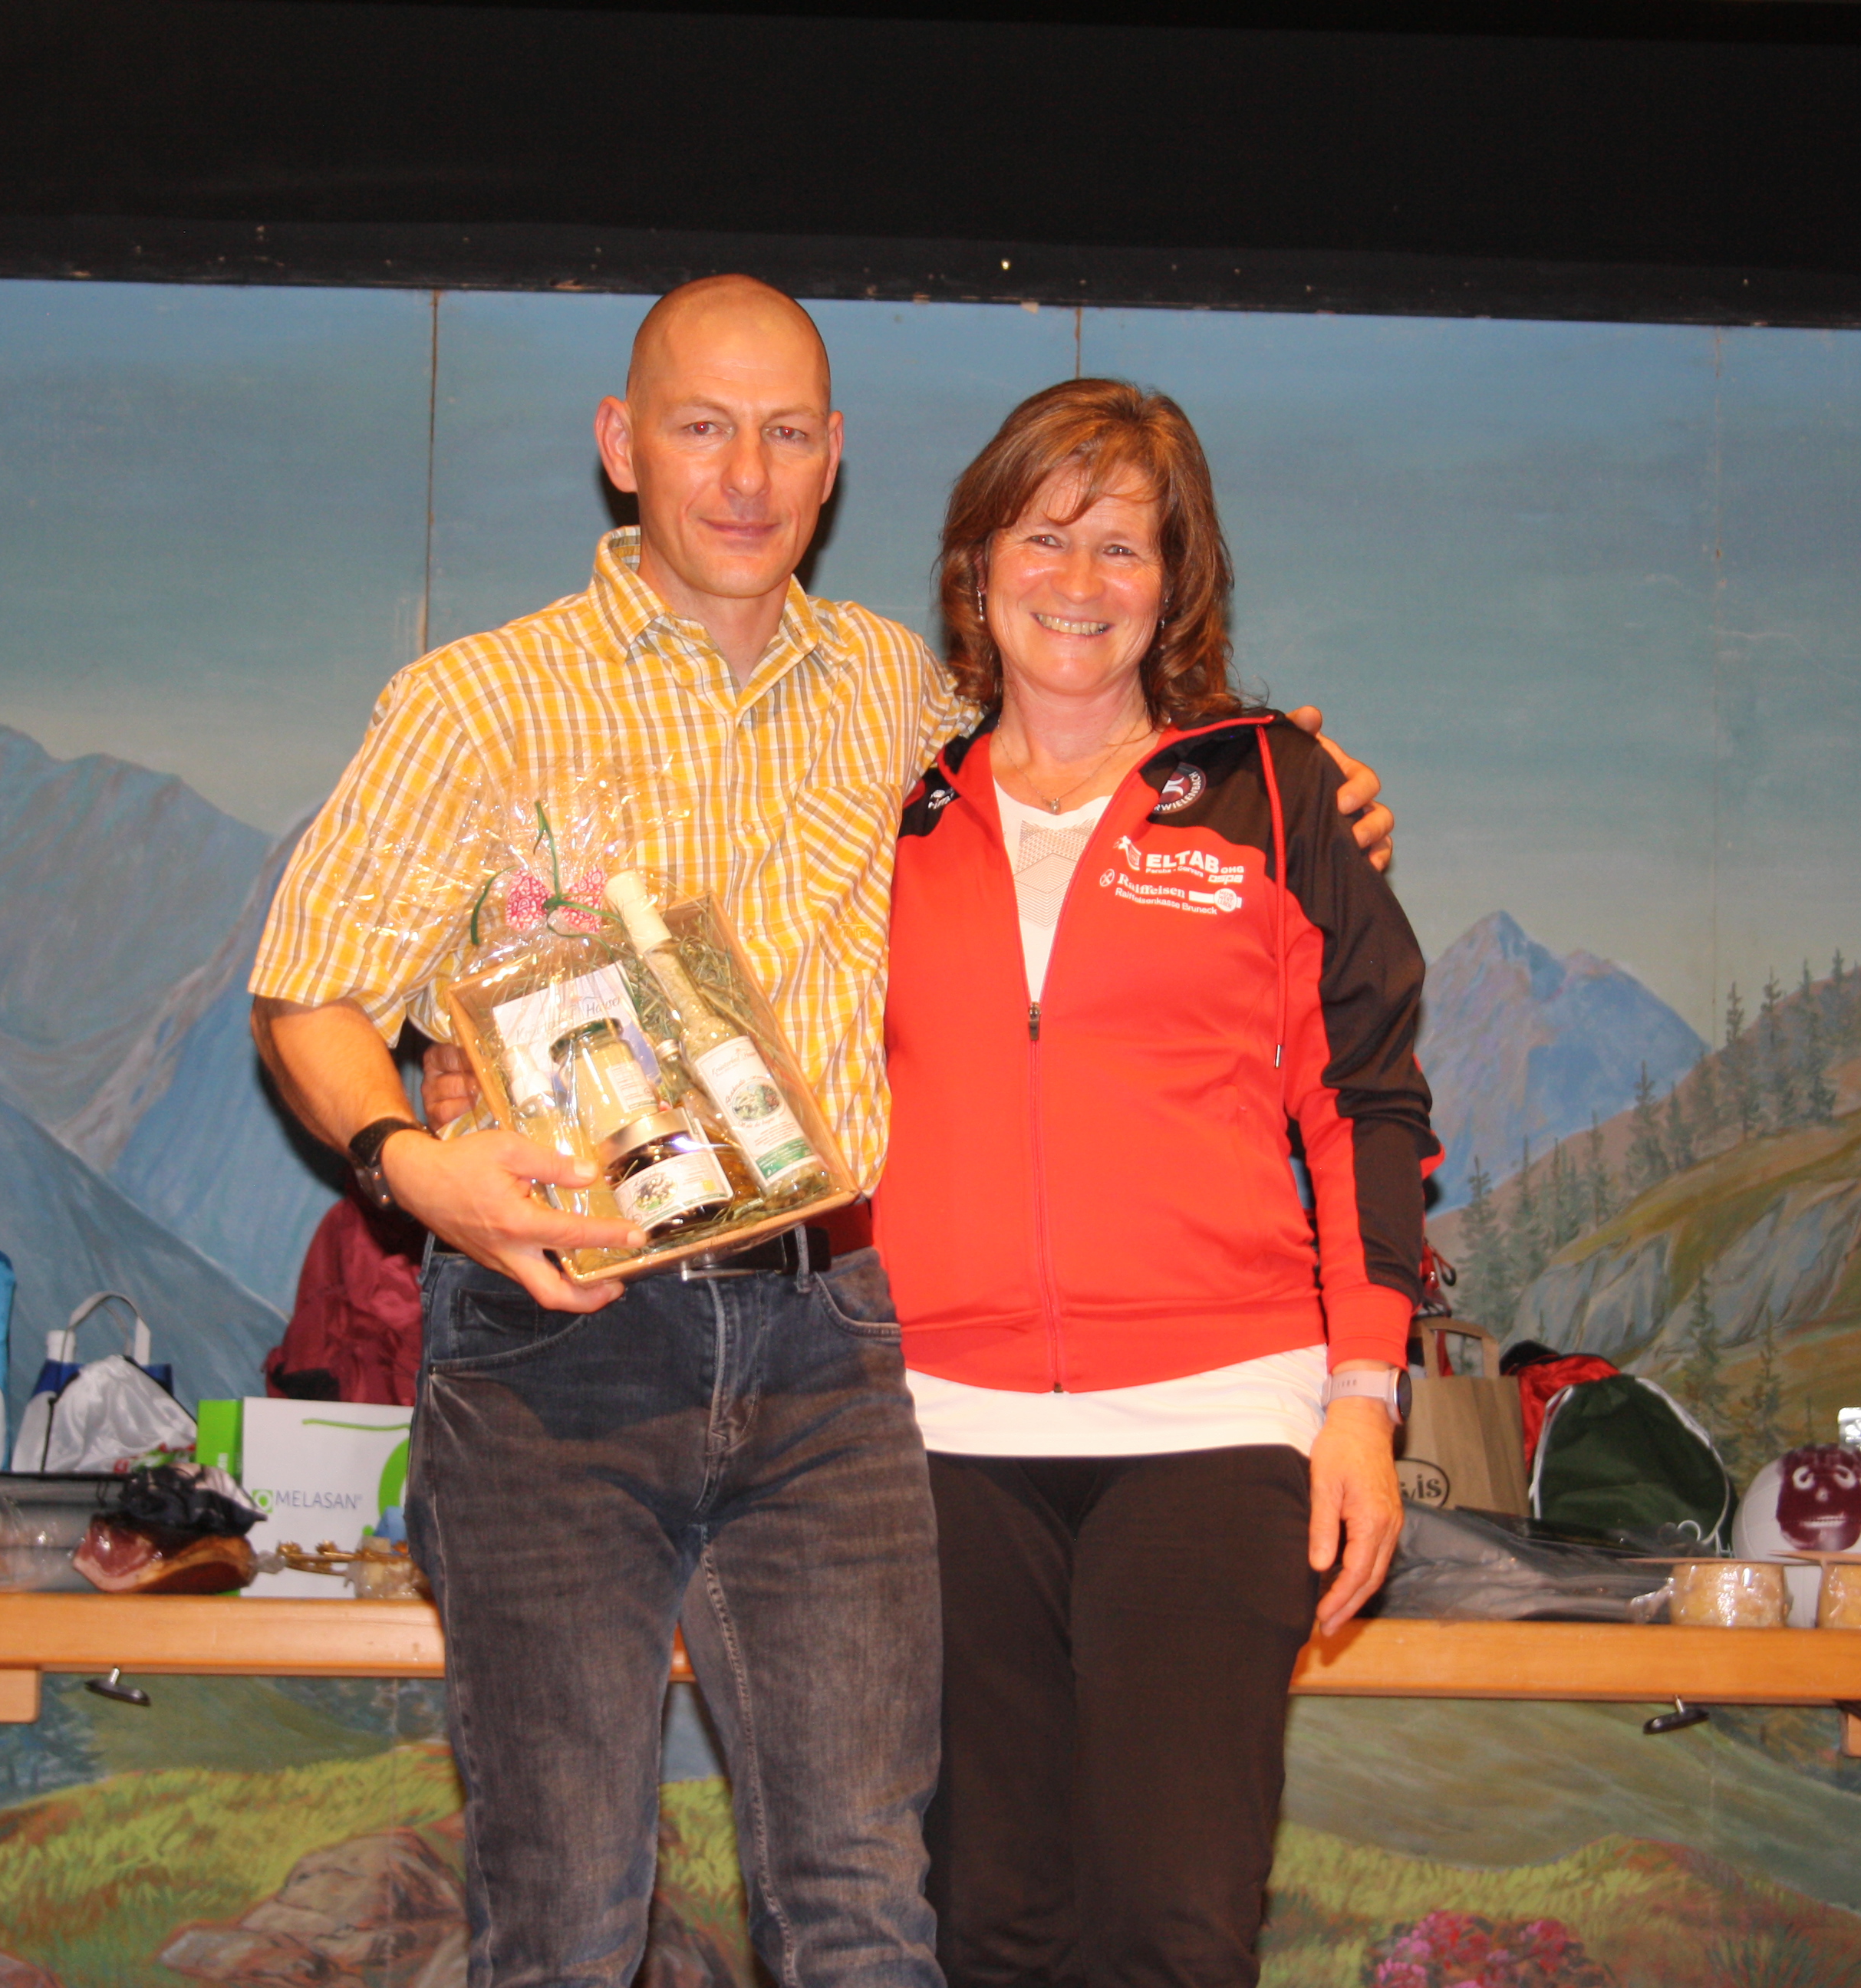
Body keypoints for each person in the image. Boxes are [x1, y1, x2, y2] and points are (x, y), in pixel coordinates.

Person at [249, 277, 1392, 1988]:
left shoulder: (897, 699)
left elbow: (1094, 743)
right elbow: (305, 997)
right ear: (622, 444)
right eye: (702, 427)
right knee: (566, 1913)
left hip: (837, 1356)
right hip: (563, 1348)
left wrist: (1293, 778)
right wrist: (414, 1170)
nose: (745, 476)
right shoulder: (473, 703)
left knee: (871, 1911)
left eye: (786, 434)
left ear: (836, 456)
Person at [874, 377, 1441, 1988]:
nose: (1079, 581)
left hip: (1217, 1425)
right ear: (978, 564)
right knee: (980, 1926)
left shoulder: (1276, 791)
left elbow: (1368, 1103)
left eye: (1123, 546)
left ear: (1176, 582)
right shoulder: (883, 809)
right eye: (1043, 538)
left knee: (1174, 1927)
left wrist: (1362, 1400)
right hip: (935, 1435)